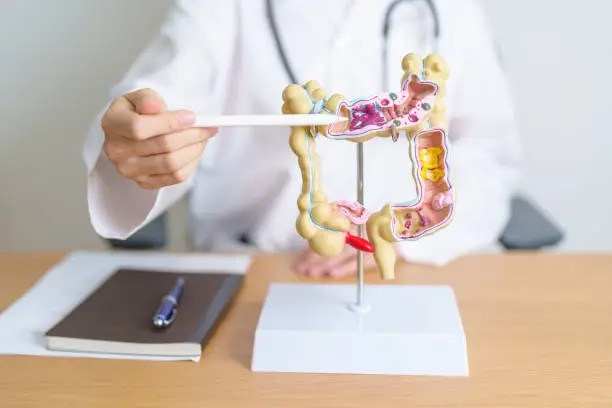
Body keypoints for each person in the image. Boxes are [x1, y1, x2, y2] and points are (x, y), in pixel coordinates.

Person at [82, 0, 521, 278]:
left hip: (411, 272)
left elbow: (489, 155)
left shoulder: (451, 11)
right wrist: (142, 145)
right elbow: (158, 105)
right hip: (256, 268)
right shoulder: (220, 10)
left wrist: (407, 239)